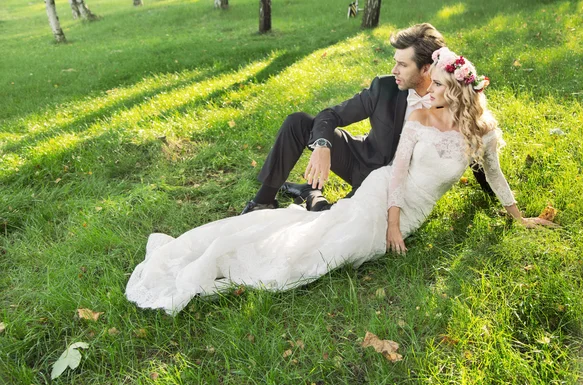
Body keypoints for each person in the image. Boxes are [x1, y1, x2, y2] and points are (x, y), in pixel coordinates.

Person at [125, 47, 557, 315]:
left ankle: (310, 201)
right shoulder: (403, 102)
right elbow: (377, 151)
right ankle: (263, 208)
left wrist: (517, 216)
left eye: (406, 66)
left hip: (407, 201)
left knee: (327, 236)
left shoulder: (472, 126)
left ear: (442, 78)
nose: (399, 72)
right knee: (324, 230)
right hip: (379, 183)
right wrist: (327, 150)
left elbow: (489, 168)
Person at [240, 23, 494, 215]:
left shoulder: (450, 99)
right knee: (298, 122)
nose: (394, 70)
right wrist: (322, 146)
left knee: (331, 221)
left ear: (427, 68)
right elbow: (331, 114)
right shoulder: (383, 87)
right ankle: (263, 201)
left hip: (395, 189)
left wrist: (493, 195)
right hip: (361, 162)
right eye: (395, 62)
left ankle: (311, 193)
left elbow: (469, 143)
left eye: (403, 65)